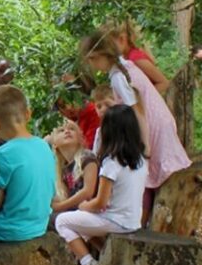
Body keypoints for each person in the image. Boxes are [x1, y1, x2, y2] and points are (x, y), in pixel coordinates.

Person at [80, 30, 191, 222]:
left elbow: (137, 110)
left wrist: (145, 146)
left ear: (98, 57)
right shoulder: (124, 67)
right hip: (156, 124)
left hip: (150, 128)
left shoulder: (119, 77)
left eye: (91, 60)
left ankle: (141, 224)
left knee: (149, 181)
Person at [55, 105, 148, 265]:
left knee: (62, 222)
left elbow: (100, 202)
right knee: (81, 229)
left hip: (116, 221)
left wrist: (84, 206)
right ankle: (106, 260)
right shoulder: (141, 160)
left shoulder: (111, 163)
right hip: (133, 220)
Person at [0, 85, 56, 242]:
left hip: (9, 231)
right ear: (28, 114)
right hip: (40, 226)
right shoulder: (43, 146)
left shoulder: (1, 155)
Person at [104, 19, 171, 94]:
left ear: (122, 39)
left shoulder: (136, 58)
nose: (108, 49)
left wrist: (144, 99)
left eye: (110, 44)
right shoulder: (124, 59)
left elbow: (164, 83)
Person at [48, 120, 99, 216]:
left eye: (72, 129)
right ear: (54, 144)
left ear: (80, 138)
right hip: (75, 212)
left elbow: (88, 191)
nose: (67, 131)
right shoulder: (62, 168)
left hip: (91, 212)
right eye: (61, 130)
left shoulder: (87, 157)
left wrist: (61, 206)